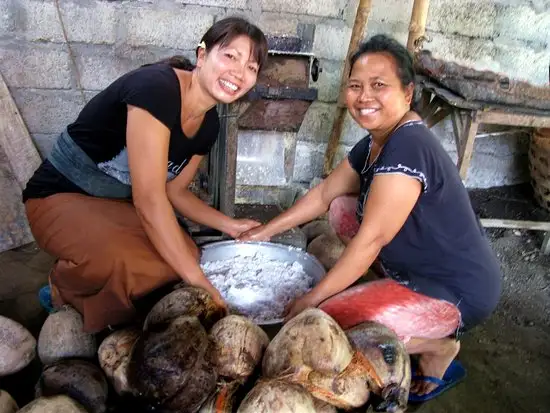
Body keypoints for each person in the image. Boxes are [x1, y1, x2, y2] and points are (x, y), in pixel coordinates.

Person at [239, 34, 502, 401]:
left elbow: (371, 239)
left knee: (330, 324)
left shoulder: (408, 145)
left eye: (379, 86)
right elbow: (322, 195)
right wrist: (265, 231)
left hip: (455, 290)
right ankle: (383, 285)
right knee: (342, 208)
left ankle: (435, 346)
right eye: (355, 86)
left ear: (407, 94)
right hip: (421, 264)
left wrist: (312, 298)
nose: (364, 97)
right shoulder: (376, 141)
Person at [23, 17, 268, 333]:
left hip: (115, 207)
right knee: (123, 260)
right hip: (60, 194)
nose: (239, 72)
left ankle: (96, 293)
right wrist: (201, 283)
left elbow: (174, 192)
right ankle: (62, 288)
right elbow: (150, 199)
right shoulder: (157, 89)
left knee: (186, 254)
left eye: (251, 67)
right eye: (230, 56)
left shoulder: (209, 125)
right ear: (203, 55)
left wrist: (231, 225)